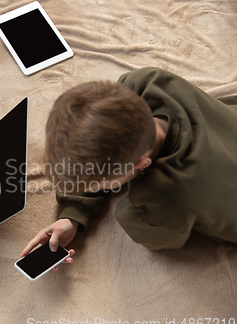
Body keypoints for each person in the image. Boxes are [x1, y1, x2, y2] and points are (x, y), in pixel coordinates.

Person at [21, 67, 237, 265]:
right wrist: (72, 213)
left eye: (97, 184)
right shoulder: (147, 81)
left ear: (142, 164)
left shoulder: (158, 202)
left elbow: (164, 241)